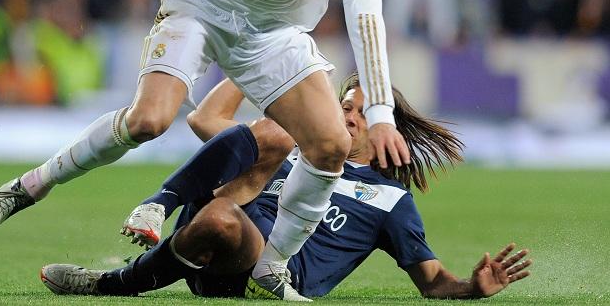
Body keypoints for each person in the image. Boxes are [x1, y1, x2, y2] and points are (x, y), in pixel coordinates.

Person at [0, 0, 409, 298]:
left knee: (331, 144)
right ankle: (29, 186)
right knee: (148, 120)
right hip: (201, 10)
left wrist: (381, 115)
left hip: (274, 37)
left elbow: (366, 23)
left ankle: (271, 269)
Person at [38, 74, 532, 301]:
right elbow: (207, 120)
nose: (347, 115)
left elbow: (432, 281)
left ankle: (110, 284)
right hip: (213, 240)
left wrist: (472, 288)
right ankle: (158, 205)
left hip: (266, 273)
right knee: (271, 132)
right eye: (344, 104)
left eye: (361, 111)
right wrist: (261, 60)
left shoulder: (389, 201)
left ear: (387, 128)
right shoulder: (295, 147)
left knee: (221, 218)